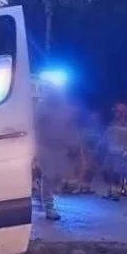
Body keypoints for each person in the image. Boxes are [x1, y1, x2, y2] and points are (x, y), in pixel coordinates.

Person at [34, 84, 80, 220]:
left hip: (61, 148)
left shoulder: (64, 108)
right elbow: (35, 124)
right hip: (45, 146)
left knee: (58, 176)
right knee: (49, 175)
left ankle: (41, 191)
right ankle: (49, 207)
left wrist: (74, 143)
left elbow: (70, 127)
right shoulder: (42, 107)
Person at [100, 103, 127, 200]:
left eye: (117, 111)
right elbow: (107, 135)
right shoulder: (113, 123)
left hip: (121, 153)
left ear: (123, 112)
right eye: (115, 111)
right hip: (110, 151)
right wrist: (101, 144)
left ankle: (116, 193)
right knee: (106, 171)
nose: (115, 113)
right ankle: (111, 190)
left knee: (116, 173)